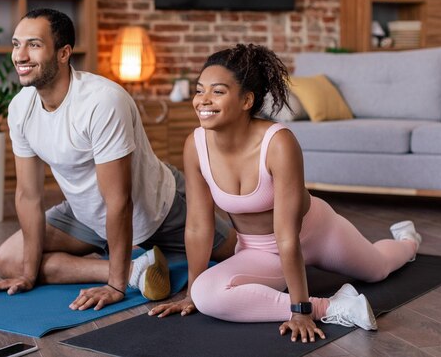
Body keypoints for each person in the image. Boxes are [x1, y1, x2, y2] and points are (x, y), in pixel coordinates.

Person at [148, 44, 422, 343]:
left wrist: (300, 310)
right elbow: (199, 226)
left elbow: (288, 236)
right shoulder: (195, 144)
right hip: (259, 250)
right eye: (200, 90)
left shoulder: (278, 142)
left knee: (377, 269)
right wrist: (190, 293)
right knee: (205, 294)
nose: (203, 100)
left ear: (246, 100)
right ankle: (334, 307)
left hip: (318, 232)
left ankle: (408, 242)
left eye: (217, 91)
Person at [0, 8, 236, 311]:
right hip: (86, 215)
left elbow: (119, 200)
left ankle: (132, 262)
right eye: (16, 44)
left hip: (158, 208)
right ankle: (138, 268)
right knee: (9, 259)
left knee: (241, 253)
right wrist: (29, 275)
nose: (20, 55)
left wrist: (115, 286)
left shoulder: (101, 101)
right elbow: (28, 195)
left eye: (33, 44)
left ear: (63, 53)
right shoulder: (21, 108)